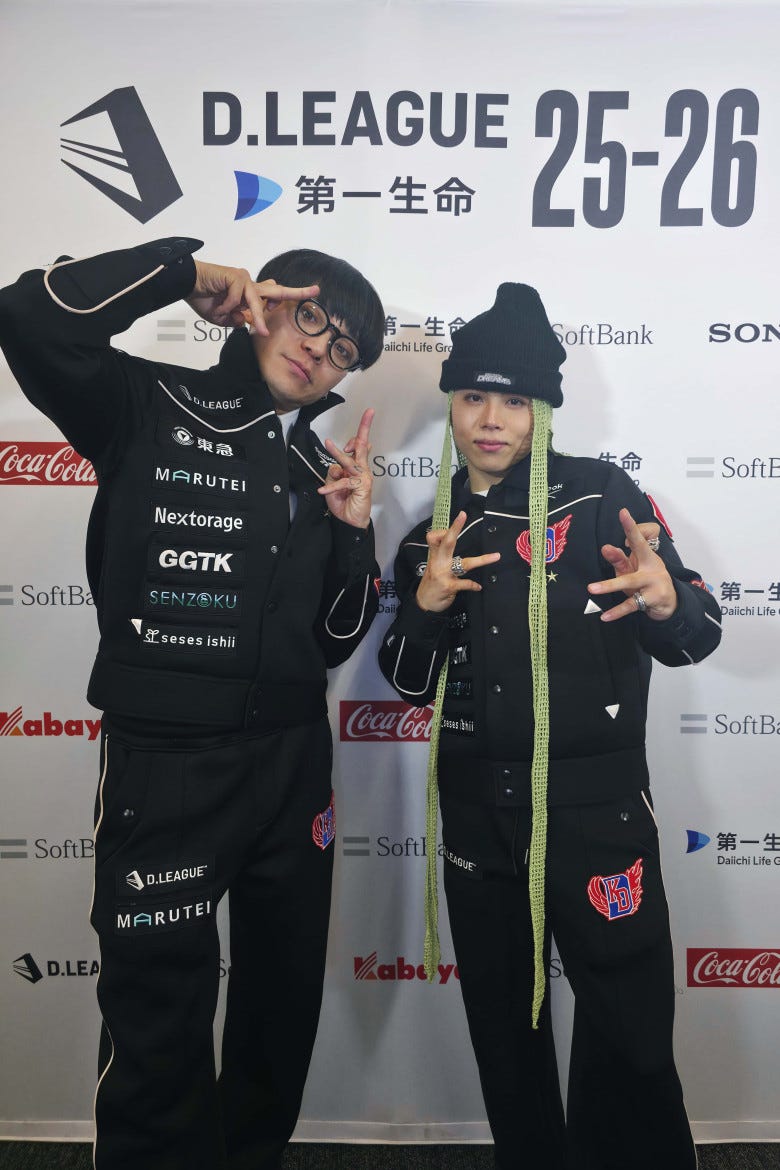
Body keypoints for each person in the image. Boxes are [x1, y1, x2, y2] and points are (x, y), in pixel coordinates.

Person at [0, 236, 385, 1170]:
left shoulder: (321, 473)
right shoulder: (146, 402)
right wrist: (184, 274)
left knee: (280, 1008)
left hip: (294, 768)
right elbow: (29, 319)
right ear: (266, 304)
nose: (319, 348)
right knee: (158, 1024)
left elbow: (332, 643)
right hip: (168, 763)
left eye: (343, 348)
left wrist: (353, 534)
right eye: (310, 315)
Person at [378, 283, 721, 1170]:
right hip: (478, 823)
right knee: (504, 1037)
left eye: (516, 401)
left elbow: (699, 635)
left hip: (599, 816)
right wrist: (423, 608)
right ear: (453, 404)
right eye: (473, 397)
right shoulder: (429, 537)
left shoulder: (606, 496)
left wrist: (668, 600)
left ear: (545, 410)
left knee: (633, 1038)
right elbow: (408, 686)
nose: (492, 420)